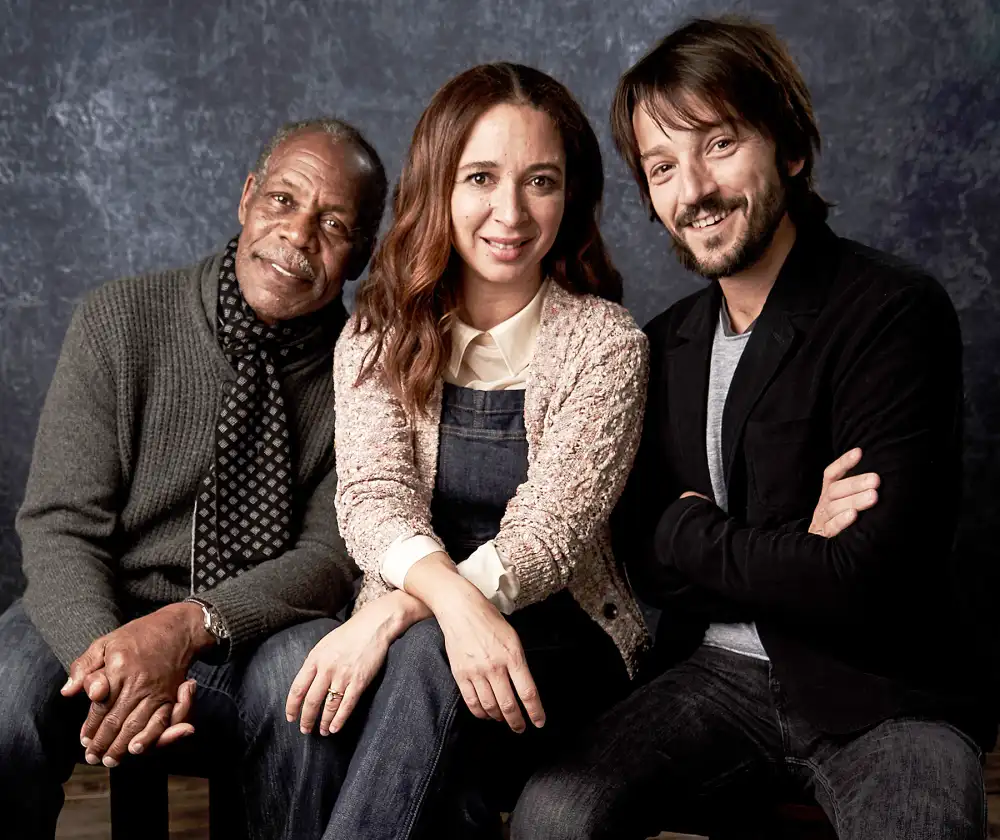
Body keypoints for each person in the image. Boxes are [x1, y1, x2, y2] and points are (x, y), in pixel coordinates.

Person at [512, 17, 993, 840]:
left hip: (883, 694)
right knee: (552, 815)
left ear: (790, 148)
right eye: (663, 166)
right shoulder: (660, 345)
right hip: (712, 675)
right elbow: (647, 562)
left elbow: (862, 577)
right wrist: (794, 544)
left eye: (720, 144)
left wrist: (694, 530)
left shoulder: (893, 312)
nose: (693, 190)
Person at [284, 62, 650, 839]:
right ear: (438, 187)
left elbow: (550, 536)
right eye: (481, 177)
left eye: (540, 182)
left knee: (420, 657)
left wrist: (401, 613)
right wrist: (449, 607)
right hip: (429, 644)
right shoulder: (377, 334)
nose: (510, 212)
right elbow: (373, 499)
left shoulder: (606, 345)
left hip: (565, 641)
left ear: (570, 197)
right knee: (339, 700)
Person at [0, 117, 388, 840]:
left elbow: (329, 559)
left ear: (361, 253)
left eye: (333, 225)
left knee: (309, 689)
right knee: (3, 697)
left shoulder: (367, 371)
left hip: (254, 630)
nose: (298, 235)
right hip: (102, 608)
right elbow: (60, 525)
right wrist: (114, 665)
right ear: (247, 198)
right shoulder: (119, 320)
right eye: (282, 200)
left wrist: (188, 627)